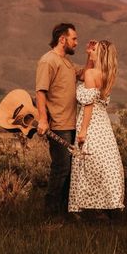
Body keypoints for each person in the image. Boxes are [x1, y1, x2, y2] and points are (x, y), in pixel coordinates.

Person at [69, 40, 124, 217]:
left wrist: (83, 130)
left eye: (94, 49)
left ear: (100, 54)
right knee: (105, 162)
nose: (91, 50)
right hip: (103, 123)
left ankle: (86, 206)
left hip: (91, 122)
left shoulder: (92, 73)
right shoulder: (107, 74)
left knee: (87, 161)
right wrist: (88, 56)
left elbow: (88, 105)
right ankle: (107, 203)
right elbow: (86, 76)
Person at [35, 22, 79, 218]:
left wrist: (92, 55)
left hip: (71, 124)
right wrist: (43, 119)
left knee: (69, 172)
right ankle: (50, 215)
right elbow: (40, 92)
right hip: (58, 124)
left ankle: (64, 212)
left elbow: (85, 74)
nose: (76, 43)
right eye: (74, 39)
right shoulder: (48, 61)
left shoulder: (67, 62)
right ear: (62, 39)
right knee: (60, 169)